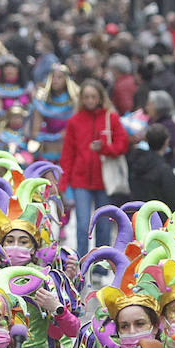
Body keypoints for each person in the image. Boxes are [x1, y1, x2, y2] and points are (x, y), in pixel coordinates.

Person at [59, 79, 129, 254]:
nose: (90, 100)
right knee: (82, 225)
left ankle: (100, 263)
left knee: (104, 225)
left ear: (100, 98)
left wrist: (105, 148)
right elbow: (68, 154)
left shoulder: (111, 118)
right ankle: (81, 263)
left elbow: (123, 145)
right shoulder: (75, 121)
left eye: (93, 97)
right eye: (86, 97)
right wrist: (63, 183)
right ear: (81, 99)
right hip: (80, 179)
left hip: (104, 180)